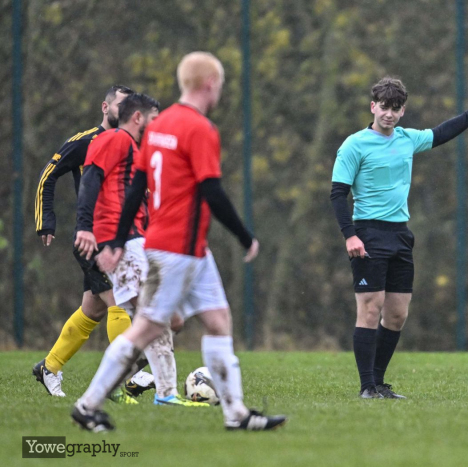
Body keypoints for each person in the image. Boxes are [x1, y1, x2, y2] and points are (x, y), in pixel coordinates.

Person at [71, 51, 286, 432]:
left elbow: (136, 186)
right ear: (210, 84)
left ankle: (235, 413)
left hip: (190, 248)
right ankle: (87, 405)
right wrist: (244, 236)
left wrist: (118, 239)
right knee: (147, 329)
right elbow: (212, 190)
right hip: (175, 248)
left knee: (219, 321)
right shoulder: (199, 128)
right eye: (219, 84)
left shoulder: (160, 124)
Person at [330, 77, 468, 398]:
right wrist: (350, 236)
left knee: (396, 315)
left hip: (400, 235)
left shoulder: (407, 138)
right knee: (370, 308)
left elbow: (442, 132)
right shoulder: (354, 145)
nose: (389, 115)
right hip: (367, 232)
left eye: (395, 109)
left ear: (403, 110)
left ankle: (379, 384)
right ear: (373, 107)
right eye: (383, 108)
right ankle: (367, 387)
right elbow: (338, 194)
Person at [74, 92, 204, 407]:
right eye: (154, 119)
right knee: (161, 312)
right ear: (137, 118)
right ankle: (160, 393)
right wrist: (84, 226)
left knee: (153, 318)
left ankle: (150, 391)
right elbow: (90, 179)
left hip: (130, 240)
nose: (157, 126)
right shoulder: (116, 139)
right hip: (121, 241)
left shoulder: (134, 149)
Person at [32, 85, 152, 401]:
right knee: (119, 302)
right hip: (95, 237)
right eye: (121, 105)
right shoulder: (86, 142)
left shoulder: (134, 144)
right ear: (105, 107)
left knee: (93, 309)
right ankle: (129, 376)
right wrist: (46, 220)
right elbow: (48, 174)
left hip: (125, 237)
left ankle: (49, 366)